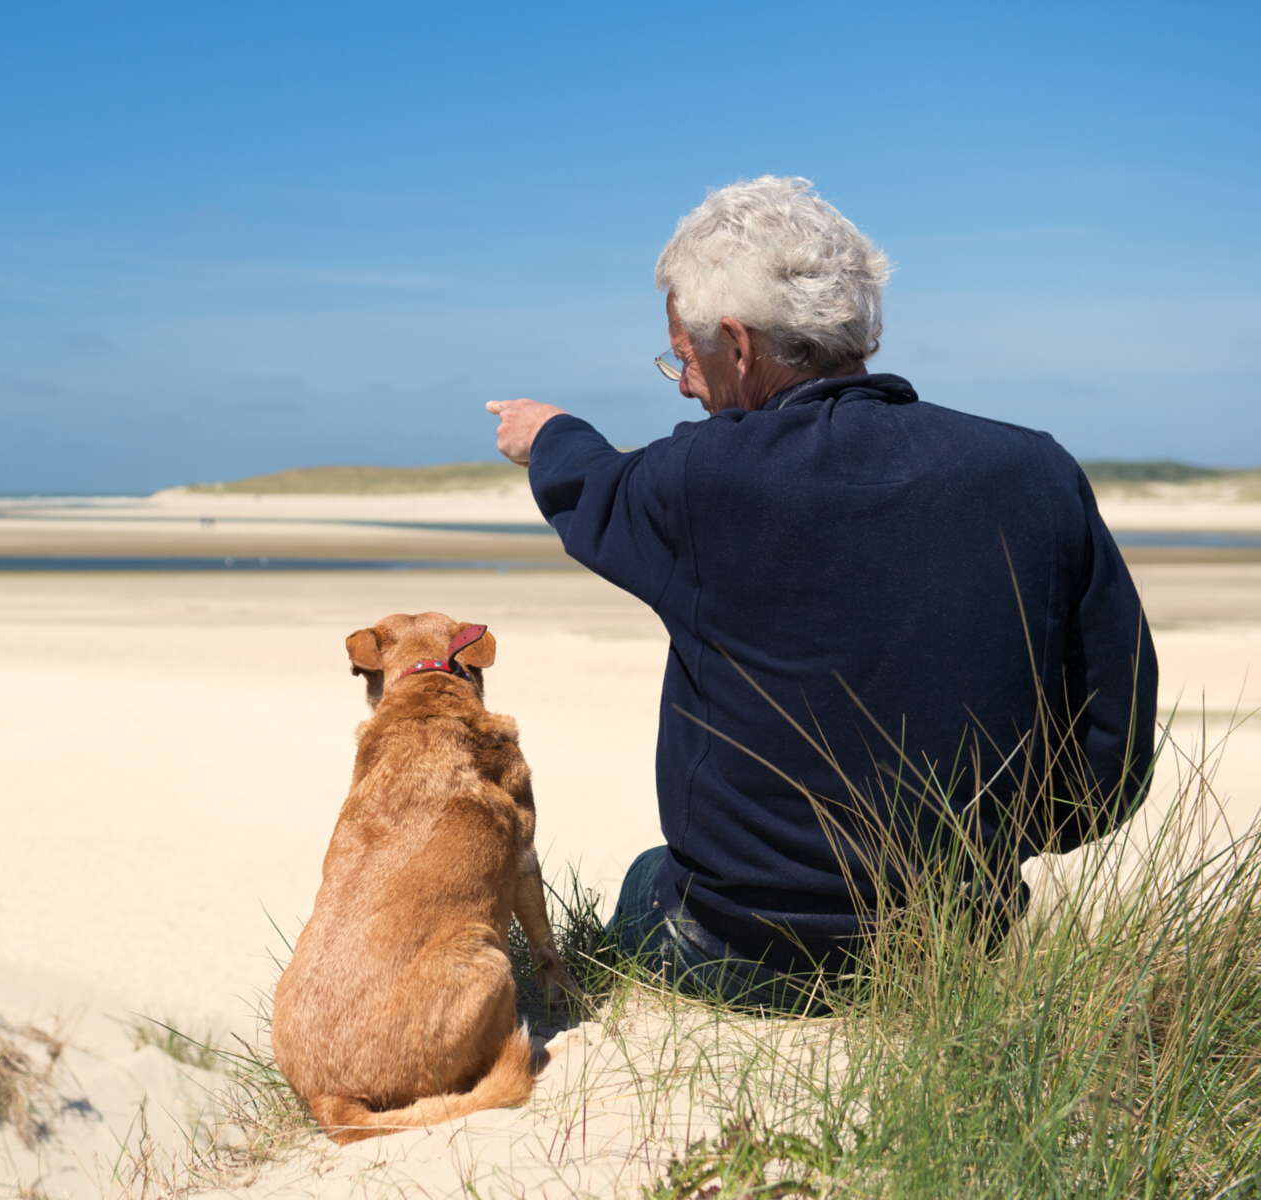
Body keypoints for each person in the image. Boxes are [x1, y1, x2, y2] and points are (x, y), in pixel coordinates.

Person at [486, 176, 1158, 1013]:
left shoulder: (700, 480)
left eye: (683, 359)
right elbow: (1113, 732)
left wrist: (547, 433)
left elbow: (596, 486)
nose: (685, 387)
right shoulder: (1035, 469)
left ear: (738, 344)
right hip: (963, 941)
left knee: (647, 876)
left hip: (740, 951)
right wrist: (1006, 846)